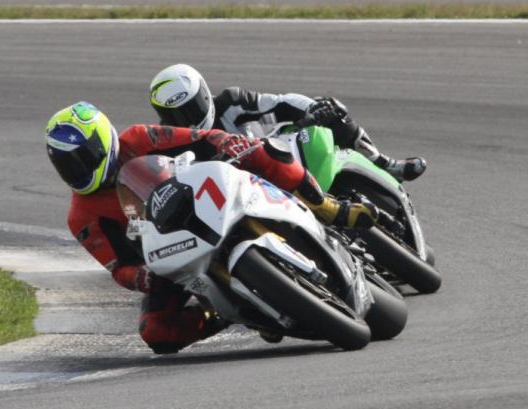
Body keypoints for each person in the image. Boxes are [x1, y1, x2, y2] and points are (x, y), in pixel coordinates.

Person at [45, 101, 377, 354]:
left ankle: (328, 207)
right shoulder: (81, 216)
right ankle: (223, 314)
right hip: (167, 256)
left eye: (81, 158)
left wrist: (226, 143)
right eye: (66, 165)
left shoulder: (139, 138)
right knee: (156, 334)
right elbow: (118, 266)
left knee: (265, 153)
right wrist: (141, 276)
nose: (76, 170)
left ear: (102, 141)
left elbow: (200, 138)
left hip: (206, 201)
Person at [149, 64, 426, 182]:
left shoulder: (233, 102)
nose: (187, 119)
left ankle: (384, 164)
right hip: (250, 200)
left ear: (206, 95)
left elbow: (282, 102)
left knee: (332, 110)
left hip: (289, 157)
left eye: (191, 107)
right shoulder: (177, 149)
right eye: (176, 116)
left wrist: (313, 108)